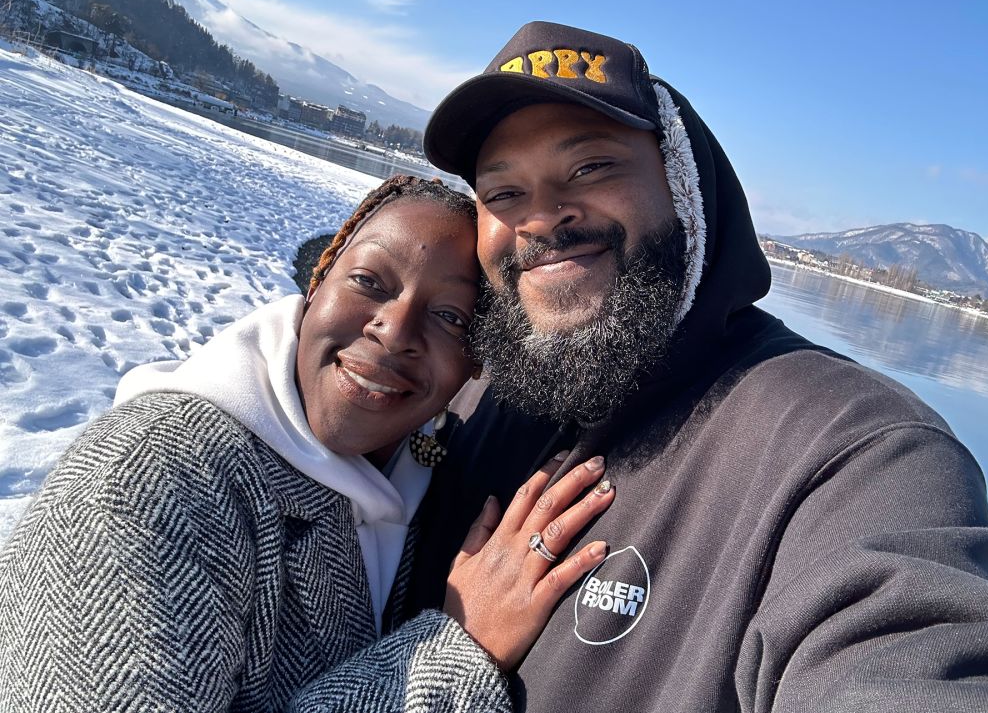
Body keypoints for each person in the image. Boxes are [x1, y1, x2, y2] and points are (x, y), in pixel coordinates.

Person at [405, 23, 988, 712]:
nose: (542, 217)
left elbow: (917, 646)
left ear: (683, 187)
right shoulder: (477, 388)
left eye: (590, 167)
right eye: (502, 193)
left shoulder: (848, 446)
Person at [0, 175, 616, 712]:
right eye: (370, 282)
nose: (395, 330)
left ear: (475, 364)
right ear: (316, 286)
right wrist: (460, 647)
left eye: (450, 316)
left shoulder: (415, 466)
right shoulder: (146, 484)